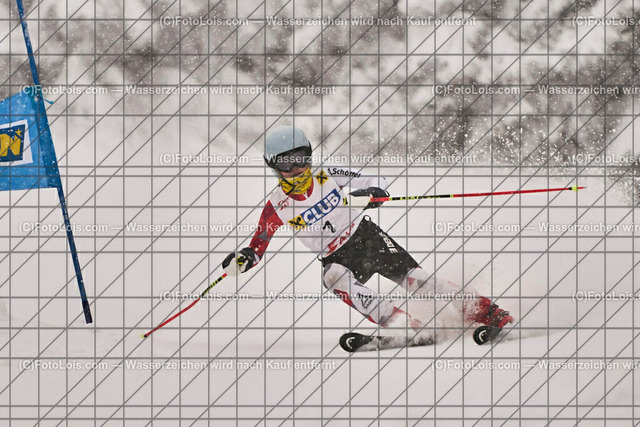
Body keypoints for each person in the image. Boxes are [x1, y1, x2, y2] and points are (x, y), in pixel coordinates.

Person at [222, 126, 513, 334]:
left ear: (309, 156)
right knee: (332, 278)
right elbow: (258, 246)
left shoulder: (326, 174)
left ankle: (488, 312)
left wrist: (372, 193)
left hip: (367, 238)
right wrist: (245, 258)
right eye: (286, 163)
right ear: (273, 166)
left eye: (300, 158)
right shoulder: (277, 205)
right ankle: (403, 325)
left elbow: (376, 180)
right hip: (335, 257)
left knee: (419, 280)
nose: (296, 168)